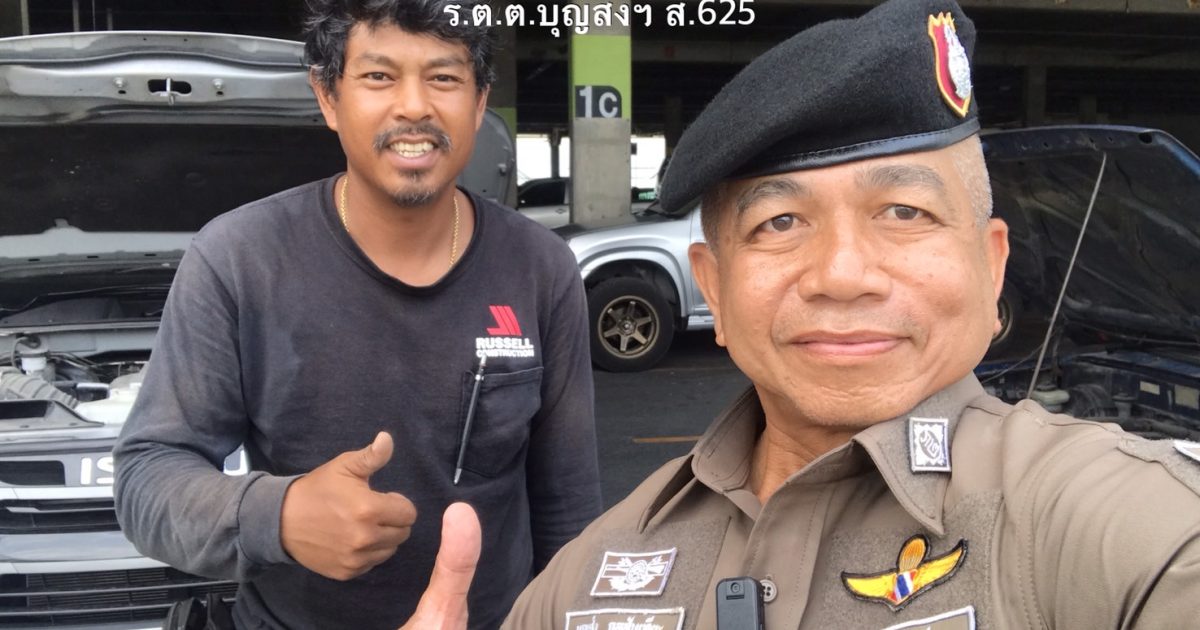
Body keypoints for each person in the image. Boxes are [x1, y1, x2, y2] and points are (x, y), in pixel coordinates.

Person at [492, 0, 1200, 627]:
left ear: (992, 268)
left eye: (904, 212)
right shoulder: (582, 579)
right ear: (715, 288)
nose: (841, 276)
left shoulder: (1124, 533)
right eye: (779, 222)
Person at [112, 1, 601, 628]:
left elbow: (568, 505)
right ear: (328, 97)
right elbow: (148, 477)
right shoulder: (239, 258)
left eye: (444, 77)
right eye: (378, 76)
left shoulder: (540, 266)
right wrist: (280, 515)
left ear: (480, 103)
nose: (414, 106)